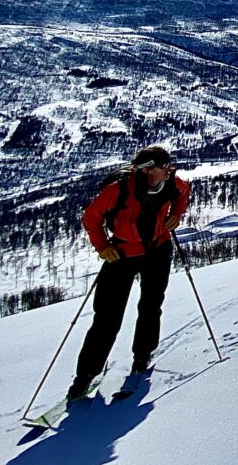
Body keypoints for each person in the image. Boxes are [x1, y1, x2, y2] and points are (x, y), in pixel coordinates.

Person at [67, 145, 190, 399]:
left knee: (151, 304)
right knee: (107, 317)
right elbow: (91, 217)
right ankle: (86, 375)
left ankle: (142, 355)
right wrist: (102, 246)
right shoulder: (119, 190)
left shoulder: (170, 183)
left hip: (157, 249)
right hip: (122, 253)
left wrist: (175, 216)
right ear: (148, 170)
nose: (169, 170)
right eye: (163, 166)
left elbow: (183, 193)